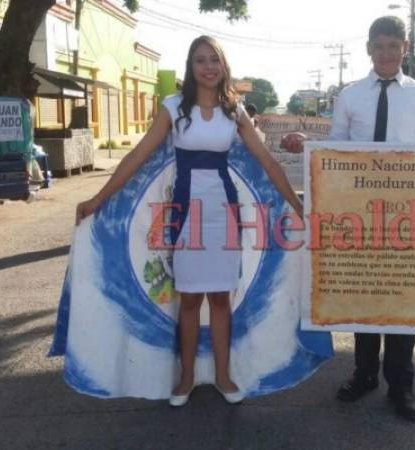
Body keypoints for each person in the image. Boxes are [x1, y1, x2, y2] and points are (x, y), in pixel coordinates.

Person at [281, 16, 415, 422]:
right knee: (364, 291)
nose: (385, 53)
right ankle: (364, 375)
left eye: (393, 46)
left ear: (404, 49)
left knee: (403, 298)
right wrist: (306, 143)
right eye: (379, 46)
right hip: (360, 214)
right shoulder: (350, 95)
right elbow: (338, 150)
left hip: (407, 214)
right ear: (369, 48)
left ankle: (402, 385)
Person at [74, 35, 303, 407]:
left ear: (223, 65)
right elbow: (136, 157)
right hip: (186, 216)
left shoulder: (236, 111)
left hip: (223, 216)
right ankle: (186, 379)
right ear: (191, 66)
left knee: (221, 300)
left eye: (214, 59)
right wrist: (99, 198)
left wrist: (296, 205)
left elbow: (268, 162)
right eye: (200, 60)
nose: (208, 66)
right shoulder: (173, 107)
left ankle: (225, 378)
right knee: (191, 299)